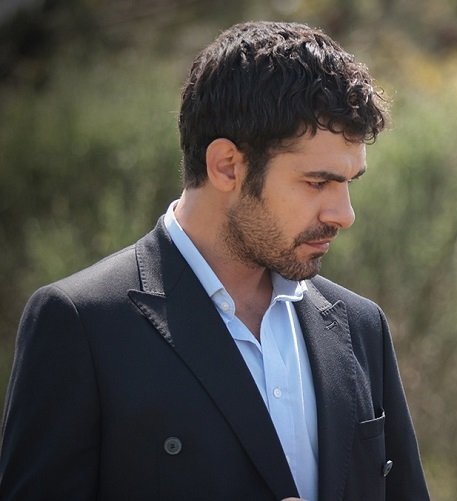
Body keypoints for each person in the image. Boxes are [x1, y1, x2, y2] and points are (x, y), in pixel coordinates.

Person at [0, 21, 429, 501]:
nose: (344, 215)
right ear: (226, 165)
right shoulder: (80, 324)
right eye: (317, 183)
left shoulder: (361, 326)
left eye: (349, 183)